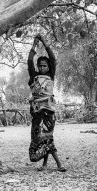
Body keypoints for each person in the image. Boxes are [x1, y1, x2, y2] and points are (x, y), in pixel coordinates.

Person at [28, 34, 66, 172]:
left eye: (45, 65)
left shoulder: (50, 75)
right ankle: (45, 164)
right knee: (41, 137)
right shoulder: (34, 76)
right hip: (37, 112)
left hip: (48, 111)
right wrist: (34, 44)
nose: (42, 67)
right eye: (40, 66)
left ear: (48, 67)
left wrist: (44, 42)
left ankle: (59, 164)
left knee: (47, 137)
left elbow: (53, 58)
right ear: (38, 67)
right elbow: (29, 60)